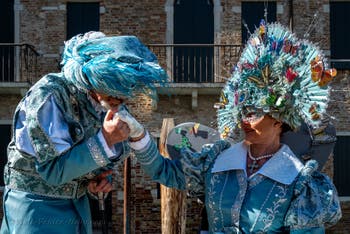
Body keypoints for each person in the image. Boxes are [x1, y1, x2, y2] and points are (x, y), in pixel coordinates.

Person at [118, 21, 342, 233]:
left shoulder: (300, 183)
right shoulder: (214, 162)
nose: (244, 120)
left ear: (279, 120)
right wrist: (138, 135)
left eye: (253, 113)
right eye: (241, 112)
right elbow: (162, 170)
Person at [1, 31, 167, 234]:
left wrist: (94, 182)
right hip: (36, 209)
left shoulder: (102, 101)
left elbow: (88, 160)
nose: (120, 99)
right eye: (113, 88)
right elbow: (54, 171)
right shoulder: (48, 95)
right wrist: (105, 139)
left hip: (78, 207)